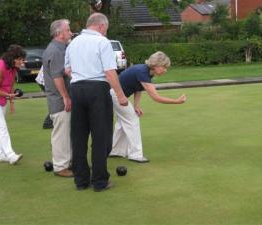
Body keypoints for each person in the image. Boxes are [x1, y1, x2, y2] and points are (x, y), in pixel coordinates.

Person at [65, 13, 128, 191]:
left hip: (76, 89)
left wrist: (82, 75)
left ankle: (81, 181)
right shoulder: (102, 42)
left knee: (78, 137)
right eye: (106, 28)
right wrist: (121, 96)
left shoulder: (73, 42)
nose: (105, 32)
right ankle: (100, 181)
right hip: (98, 90)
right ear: (101, 26)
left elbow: (67, 69)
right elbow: (110, 72)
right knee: (101, 137)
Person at [109, 51, 187, 162]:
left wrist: (136, 106)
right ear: (156, 65)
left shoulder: (146, 73)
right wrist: (176, 101)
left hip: (116, 95)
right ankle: (135, 155)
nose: (165, 70)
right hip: (115, 94)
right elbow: (156, 97)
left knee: (123, 122)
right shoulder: (142, 72)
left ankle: (116, 151)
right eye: (164, 67)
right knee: (132, 120)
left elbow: (138, 89)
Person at [42, 19, 73, 177]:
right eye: (68, 30)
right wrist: (66, 97)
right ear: (59, 33)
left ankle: (66, 162)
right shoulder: (55, 50)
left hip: (61, 99)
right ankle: (60, 167)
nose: (70, 32)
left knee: (66, 133)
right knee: (61, 134)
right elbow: (57, 77)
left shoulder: (61, 48)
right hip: (59, 100)